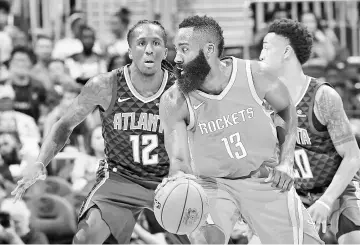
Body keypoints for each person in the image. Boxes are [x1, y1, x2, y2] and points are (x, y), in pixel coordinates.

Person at [11, 19, 189, 244]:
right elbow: (65, 125)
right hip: (120, 177)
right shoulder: (104, 86)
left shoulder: (181, 91)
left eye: (156, 43)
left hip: (167, 179)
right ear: (130, 50)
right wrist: (39, 163)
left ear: (165, 51)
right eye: (142, 43)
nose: (149, 49)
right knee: (85, 238)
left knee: (209, 238)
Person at [158, 15, 322, 244]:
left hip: (263, 177)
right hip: (212, 185)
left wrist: (286, 162)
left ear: (208, 50)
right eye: (176, 50)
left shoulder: (256, 74)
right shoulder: (174, 99)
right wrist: (177, 181)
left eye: (184, 49)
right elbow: (178, 158)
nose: (177, 58)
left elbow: (286, 110)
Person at [260, 18, 360, 244]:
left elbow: (353, 156)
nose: (261, 55)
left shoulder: (322, 96)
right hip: (296, 194)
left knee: (354, 239)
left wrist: (326, 201)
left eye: (267, 48)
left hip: (337, 190)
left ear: (286, 52)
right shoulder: (264, 101)